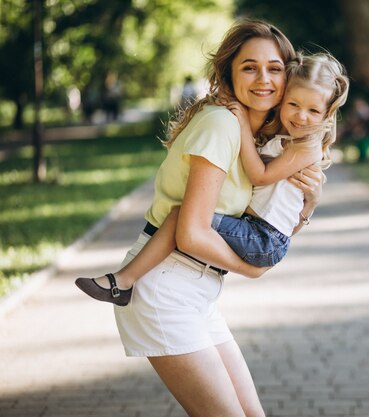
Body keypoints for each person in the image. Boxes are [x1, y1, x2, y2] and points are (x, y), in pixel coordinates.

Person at [76, 20, 326, 417]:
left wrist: (308, 204)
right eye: (249, 67)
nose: (263, 79)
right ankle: (120, 282)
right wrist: (253, 270)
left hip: (199, 290)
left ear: (289, 76)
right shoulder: (223, 123)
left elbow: (264, 221)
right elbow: (191, 232)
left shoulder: (264, 138)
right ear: (229, 72)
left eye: (274, 68)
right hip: (166, 286)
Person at [75, 52, 349, 306]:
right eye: (293, 104)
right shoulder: (287, 137)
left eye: (313, 111)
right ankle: (124, 281)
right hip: (259, 231)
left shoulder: (307, 146)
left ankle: (122, 281)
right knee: (186, 217)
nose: (300, 116)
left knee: (183, 217)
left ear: (327, 114)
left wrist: (241, 125)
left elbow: (259, 175)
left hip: (264, 237)